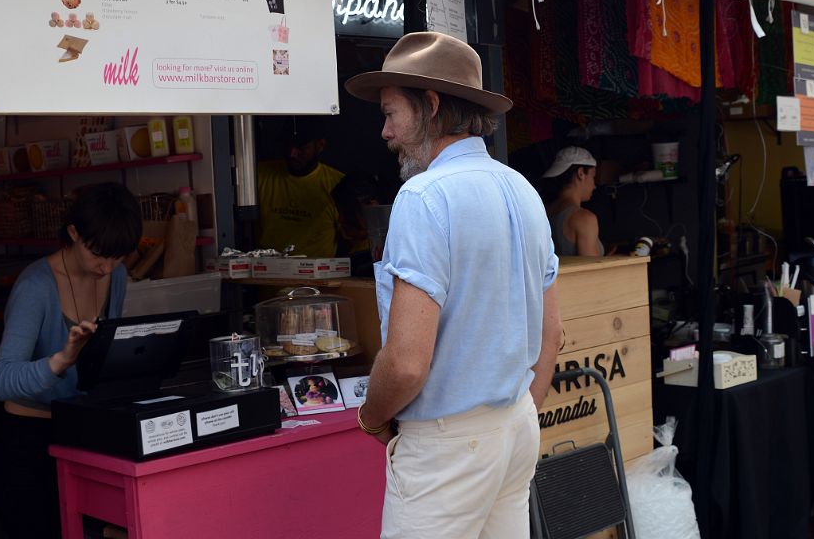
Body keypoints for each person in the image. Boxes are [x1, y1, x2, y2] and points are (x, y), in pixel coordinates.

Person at [344, 31, 564, 539]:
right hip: (515, 425)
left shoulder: (423, 195)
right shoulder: (523, 189)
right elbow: (552, 335)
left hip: (448, 443)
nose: (385, 132)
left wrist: (372, 418)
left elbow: (405, 363)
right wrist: (516, 410)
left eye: (391, 113)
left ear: (431, 105)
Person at [0, 182, 142, 539]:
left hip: (84, 432)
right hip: (29, 441)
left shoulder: (115, 276)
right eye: (98, 255)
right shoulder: (35, 286)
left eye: (116, 258)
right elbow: (1, 380)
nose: (105, 268)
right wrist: (61, 360)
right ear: (73, 233)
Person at [255, 117, 345, 257]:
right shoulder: (260, 175)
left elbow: (357, 238)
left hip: (318, 275)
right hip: (265, 271)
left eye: (300, 147)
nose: (292, 153)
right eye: (287, 145)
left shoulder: (337, 185)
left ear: (320, 145)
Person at [541, 146, 604, 256]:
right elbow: (593, 271)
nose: (594, 186)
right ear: (581, 173)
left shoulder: (543, 212)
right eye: (593, 176)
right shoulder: (584, 219)